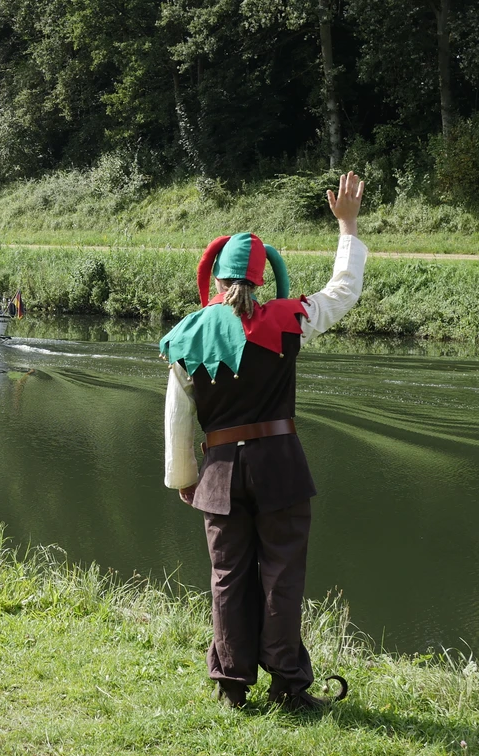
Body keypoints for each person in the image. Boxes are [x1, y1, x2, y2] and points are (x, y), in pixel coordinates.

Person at [160, 171, 367, 711]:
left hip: (221, 472)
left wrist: (186, 479)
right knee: (281, 577)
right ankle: (289, 688)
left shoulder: (190, 332)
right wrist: (346, 226)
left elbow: (179, 415)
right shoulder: (288, 318)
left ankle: (231, 687)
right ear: (261, 277)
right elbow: (344, 291)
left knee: (228, 578)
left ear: (219, 277)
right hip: (280, 468)